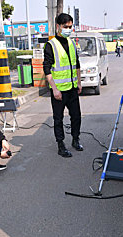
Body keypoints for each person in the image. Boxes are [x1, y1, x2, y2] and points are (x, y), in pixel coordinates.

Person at [43, 13, 83, 158]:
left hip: (72, 89)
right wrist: (54, 88)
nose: (68, 29)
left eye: (70, 27)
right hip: (59, 91)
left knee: (76, 116)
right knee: (58, 119)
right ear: (58, 26)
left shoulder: (72, 43)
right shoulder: (51, 45)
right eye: (66, 27)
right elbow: (46, 68)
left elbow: (76, 63)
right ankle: (61, 145)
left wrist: (79, 82)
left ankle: (75, 140)